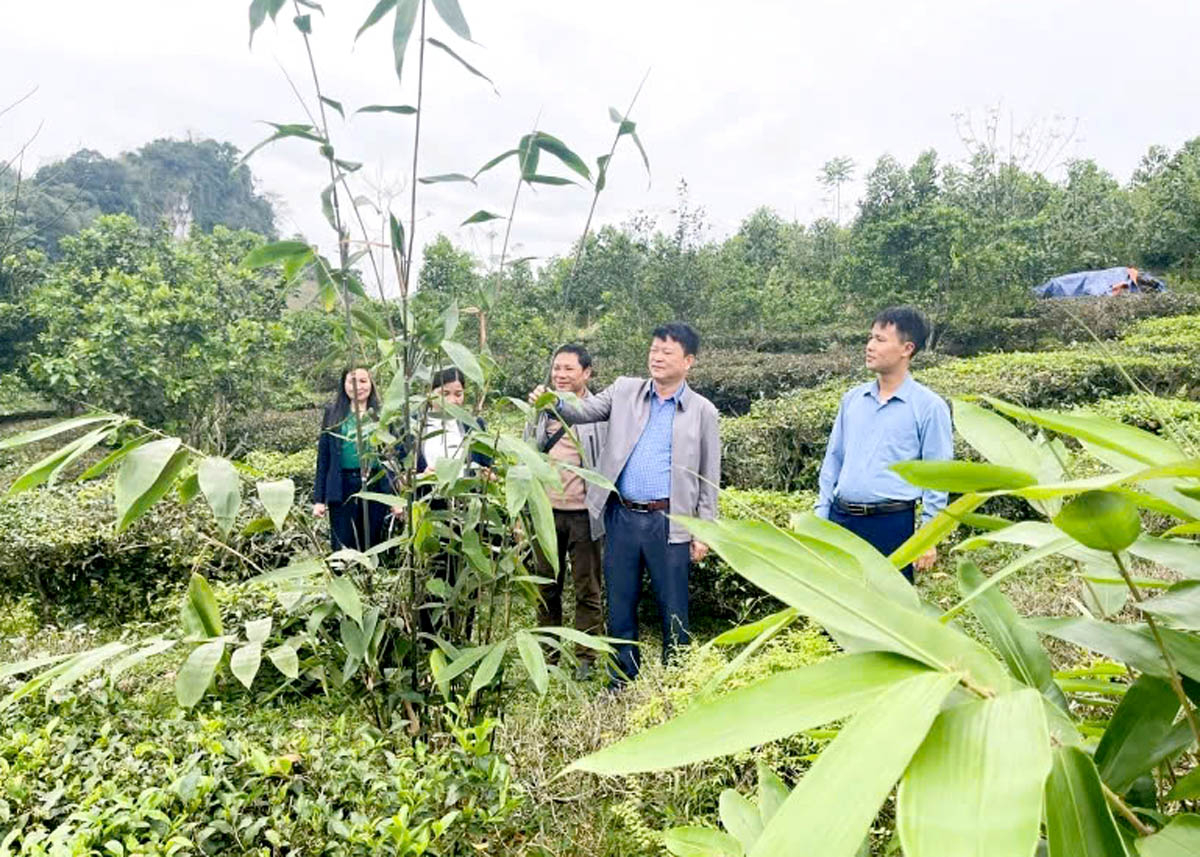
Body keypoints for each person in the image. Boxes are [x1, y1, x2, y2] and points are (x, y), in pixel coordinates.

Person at [534, 322, 721, 685]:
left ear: (689, 361)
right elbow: (582, 411)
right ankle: (621, 679)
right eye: (654, 350)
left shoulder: (702, 411)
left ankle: (677, 679)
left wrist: (705, 530)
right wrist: (554, 401)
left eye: (667, 352)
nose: (657, 357)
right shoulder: (625, 391)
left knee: (673, 607)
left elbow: (708, 475)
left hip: (670, 520)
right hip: (622, 517)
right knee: (619, 604)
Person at [816, 306, 953, 580]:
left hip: (891, 524)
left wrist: (928, 535)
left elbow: (938, 477)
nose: (869, 346)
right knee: (838, 611)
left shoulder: (929, 407)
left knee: (889, 611)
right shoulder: (852, 400)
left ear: (907, 348)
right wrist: (822, 513)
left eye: (880, 340)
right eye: (870, 338)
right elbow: (834, 460)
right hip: (841, 520)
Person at [526, 344, 608, 678]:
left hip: (584, 514)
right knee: (546, 586)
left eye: (568, 369)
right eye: (556, 368)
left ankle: (586, 655)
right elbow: (527, 455)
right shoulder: (539, 409)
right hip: (546, 513)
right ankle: (549, 654)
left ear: (586, 373)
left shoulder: (599, 411)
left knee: (587, 586)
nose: (560, 375)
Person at [416, 367, 493, 643]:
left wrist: (487, 475)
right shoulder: (414, 426)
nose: (453, 400)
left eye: (458, 393)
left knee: (466, 575)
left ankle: (462, 635)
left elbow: (487, 464)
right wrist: (419, 476)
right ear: (430, 394)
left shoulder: (473, 425)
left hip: (467, 509)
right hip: (430, 508)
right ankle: (429, 642)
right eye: (444, 393)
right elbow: (398, 474)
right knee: (432, 576)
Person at [313, 366, 397, 551]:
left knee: (372, 543)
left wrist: (395, 498)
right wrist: (319, 499)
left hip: (375, 484)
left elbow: (393, 456)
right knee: (342, 544)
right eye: (351, 381)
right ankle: (343, 578)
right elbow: (324, 457)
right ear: (343, 385)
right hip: (342, 486)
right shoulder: (333, 414)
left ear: (371, 384)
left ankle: (369, 579)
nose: (357, 386)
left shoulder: (382, 415)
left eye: (363, 381)